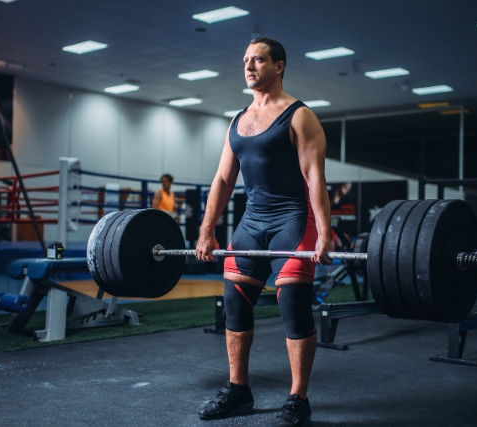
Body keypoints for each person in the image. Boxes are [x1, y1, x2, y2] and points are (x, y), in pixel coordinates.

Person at [196, 37, 332, 427]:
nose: (249, 66)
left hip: (293, 220)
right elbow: (222, 180)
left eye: (258, 60)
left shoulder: (300, 116)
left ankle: (298, 398)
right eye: (245, 60)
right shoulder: (238, 121)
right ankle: (238, 390)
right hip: (252, 222)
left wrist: (325, 232)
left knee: (293, 306)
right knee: (235, 303)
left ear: (280, 65)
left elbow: (314, 177)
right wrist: (207, 231)